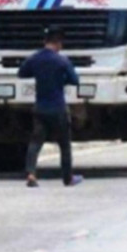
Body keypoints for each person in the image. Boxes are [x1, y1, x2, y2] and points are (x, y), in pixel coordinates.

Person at [17, 26, 83, 188]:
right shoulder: (62, 60)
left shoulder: (35, 59)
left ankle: (31, 174)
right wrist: (61, 80)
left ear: (44, 41)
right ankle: (68, 178)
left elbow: (21, 73)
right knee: (64, 144)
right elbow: (75, 80)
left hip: (40, 107)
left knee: (36, 142)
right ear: (59, 43)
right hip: (58, 108)